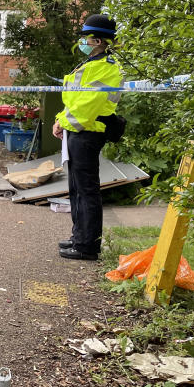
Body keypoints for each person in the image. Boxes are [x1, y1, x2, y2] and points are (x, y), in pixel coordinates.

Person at [51, 14, 124, 261]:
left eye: (88, 38)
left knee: (86, 190)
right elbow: (73, 100)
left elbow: (88, 106)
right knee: (76, 189)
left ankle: (87, 246)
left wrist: (65, 122)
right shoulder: (90, 64)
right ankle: (78, 236)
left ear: (100, 41)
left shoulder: (106, 68)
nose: (84, 41)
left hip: (88, 132)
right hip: (76, 131)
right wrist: (59, 119)